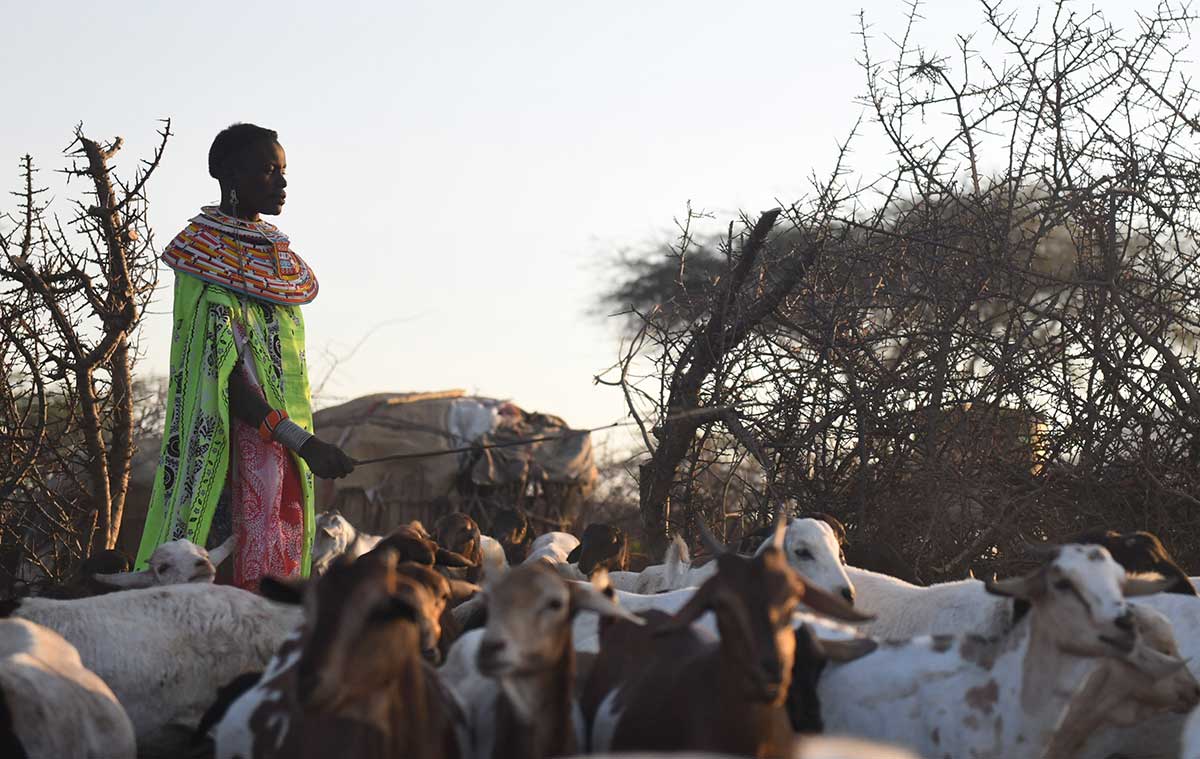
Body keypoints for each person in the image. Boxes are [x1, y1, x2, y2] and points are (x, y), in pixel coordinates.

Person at [136, 123, 354, 590]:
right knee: (218, 584)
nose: (281, 182)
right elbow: (224, 382)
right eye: (267, 171)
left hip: (280, 454)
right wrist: (303, 443)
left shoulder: (277, 262)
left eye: (283, 171)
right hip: (226, 457)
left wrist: (296, 446)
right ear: (231, 175)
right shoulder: (204, 257)